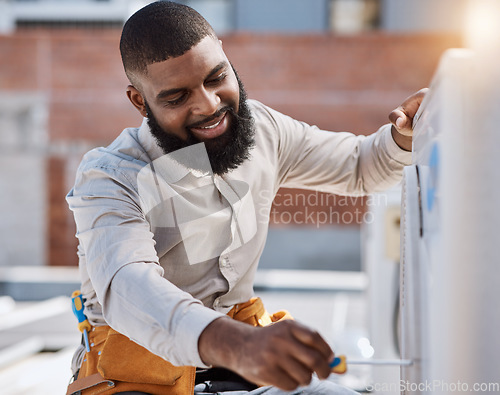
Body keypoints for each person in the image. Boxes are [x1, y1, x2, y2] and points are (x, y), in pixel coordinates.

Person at [65, 2, 426, 394]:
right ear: (139, 101)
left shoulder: (264, 130)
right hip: (136, 380)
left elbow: (360, 165)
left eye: (216, 77)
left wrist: (403, 136)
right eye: (176, 97)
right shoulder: (110, 177)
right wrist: (237, 345)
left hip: (241, 370)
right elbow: (128, 285)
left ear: (225, 56)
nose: (208, 104)